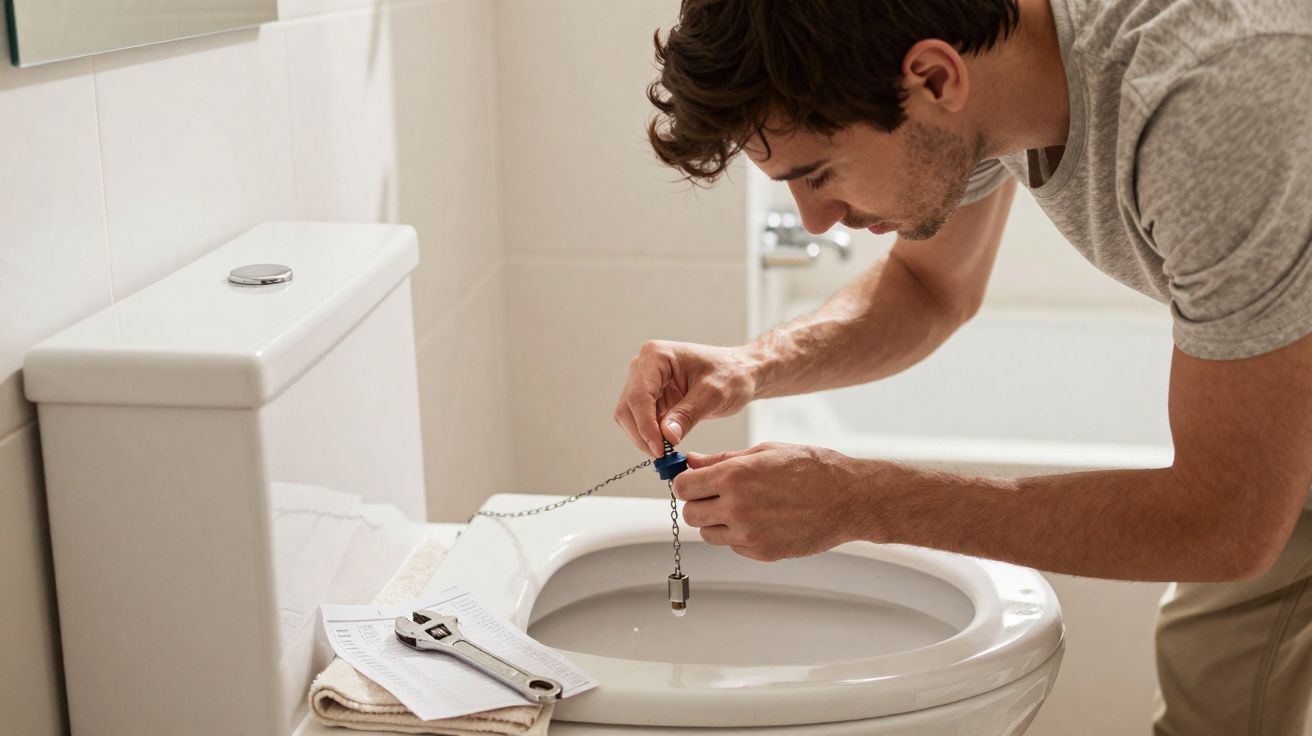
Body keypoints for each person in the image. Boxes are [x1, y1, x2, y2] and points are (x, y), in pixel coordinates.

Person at [612, 0, 1312, 733]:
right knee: (1215, 699)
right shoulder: (984, 66)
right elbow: (929, 287)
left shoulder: (1215, 105)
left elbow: (1227, 521)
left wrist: (863, 500)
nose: (813, 219)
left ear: (934, 79)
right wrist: (749, 366)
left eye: (818, 173)